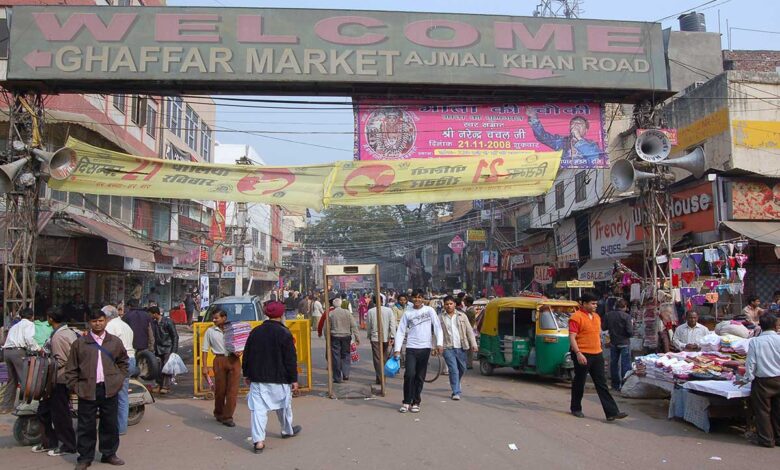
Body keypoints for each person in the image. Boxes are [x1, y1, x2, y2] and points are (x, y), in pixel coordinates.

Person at [63, 308, 129, 469]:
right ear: (89, 323)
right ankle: (85, 458)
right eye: (94, 321)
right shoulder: (80, 343)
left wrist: (118, 380)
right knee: (86, 426)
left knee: (109, 423)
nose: (98, 324)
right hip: (87, 389)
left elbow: (123, 362)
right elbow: (71, 368)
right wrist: (75, 386)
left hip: (109, 389)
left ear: (105, 321)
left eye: (100, 320)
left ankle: (109, 453)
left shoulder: (114, 342)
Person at [242, 301, 302, 453]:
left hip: (258, 377)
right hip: (280, 378)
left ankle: (259, 441)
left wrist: (246, 374)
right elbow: (290, 359)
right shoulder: (284, 333)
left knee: (258, 411)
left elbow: (247, 355)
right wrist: (293, 379)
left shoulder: (255, 332)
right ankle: (287, 430)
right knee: (284, 406)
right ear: (282, 315)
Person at [569, 293, 627, 421]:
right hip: (582, 353)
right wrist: (578, 353)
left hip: (597, 353)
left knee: (602, 384)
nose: (595, 305)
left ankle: (612, 412)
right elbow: (572, 337)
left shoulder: (596, 317)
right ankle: (576, 408)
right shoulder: (576, 317)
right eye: (592, 303)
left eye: (596, 303)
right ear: (584, 304)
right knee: (580, 381)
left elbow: (597, 334)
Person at [35, 308, 79, 456]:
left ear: (50, 319)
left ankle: (68, 445)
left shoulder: (59, 336)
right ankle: (48, 442)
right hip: (57, 379)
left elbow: (60, 361)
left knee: (60, 414)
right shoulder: (67, 332)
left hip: (60, 379)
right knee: (44, 411)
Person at [394, 289, 443, 413]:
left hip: (425, 348)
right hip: (411, 347)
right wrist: (397, 349)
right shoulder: (407, 313)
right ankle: (406, 402)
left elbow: (437, 327)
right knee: (409, 374)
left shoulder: (429, 310)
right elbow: (400, 331)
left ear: (423, 298)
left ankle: (416, 402)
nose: (417, 299)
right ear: (412, 298)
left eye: (420, 297)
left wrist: (439, 343)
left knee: (420, 377)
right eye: (415, 297)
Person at [738, 313, 780, 447]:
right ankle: (778, 437)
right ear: (775, 326)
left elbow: (750, 364)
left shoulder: (755, 342)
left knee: (763, 411)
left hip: (763, 382)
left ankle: (767, 439)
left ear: (760, 326)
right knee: (778, 410)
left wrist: (746, 379)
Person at [201, 309, 241, 427]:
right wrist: (204, 367)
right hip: (219, 360)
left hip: (234, 360)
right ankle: (219, 413)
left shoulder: (234, 329)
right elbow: (204, 350)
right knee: (220, 390)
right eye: (213, 318)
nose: (214, 320)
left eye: (216, 318)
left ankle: (228, 417)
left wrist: (240, 352)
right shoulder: (210, 331)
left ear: (224, 318)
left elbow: (242, 343)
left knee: (232, 391)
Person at [526, 106, 602, 168]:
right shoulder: (561, 141)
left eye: (580, 124)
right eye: (573, 123)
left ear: (586, 130)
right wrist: (534, 118)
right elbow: (542, 136)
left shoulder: (592, 144)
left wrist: (579, 139)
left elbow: (594, 159)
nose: (576, 125)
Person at [1, 308, 40, 413]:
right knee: (25, 380)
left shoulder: (15, 326)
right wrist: (37, 348)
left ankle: (6, 407)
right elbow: (29, 339)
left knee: (12, 380)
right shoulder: (29, 325)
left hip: (7, 352)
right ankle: (24, 405)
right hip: (18, 352)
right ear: (31, 316)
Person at [439, 295, 478, 400]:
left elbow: (469, 331)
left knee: (462, 368)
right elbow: (437, 333)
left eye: (451, 304)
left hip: (461, 346)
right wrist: (436, 346)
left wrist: (474, 344)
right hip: (447, 347)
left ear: (455, 304)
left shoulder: (462, 316)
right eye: (446, 304)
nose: (449, 306)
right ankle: (455, 392)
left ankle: (457, 381)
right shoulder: (440, 317)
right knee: (453, 369)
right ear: (444, 305)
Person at [103, 305, 135, 435]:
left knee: (112, 395)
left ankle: (115, 427)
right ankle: (121, 427)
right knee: (123, 396)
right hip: (131, 359)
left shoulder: (110, 326)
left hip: (119, 361)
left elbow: (106, 346)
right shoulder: (125, 326)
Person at [602, 299, 633, 391]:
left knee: (614, 364)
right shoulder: (627, 316)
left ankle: (615, 385)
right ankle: (624, 385)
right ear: (624, 307)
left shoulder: (608, 315)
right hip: (624, 342)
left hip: (614, 342)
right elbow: (630, 332)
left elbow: (604, 327)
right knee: (625, 364)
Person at [366, 299, 397, 384]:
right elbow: (392, 324)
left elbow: (368, 325)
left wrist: (369, 335)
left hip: (375, 338)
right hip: (386, 337)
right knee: (384, 357)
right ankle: (382, 376)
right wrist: (392, 336)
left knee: (377, 358)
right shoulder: (388, 310)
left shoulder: (371, 311)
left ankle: (380, 377)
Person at [149, 306, 178, 395]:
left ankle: (165, 386)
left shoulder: (168, 322)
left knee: (167, 367)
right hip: (158, 348)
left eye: (150, 314)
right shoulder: (154, 323)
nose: (149, 315)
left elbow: (175, 336)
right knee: (158, 367)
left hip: (167, 348)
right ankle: (159, 385)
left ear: (155, 314)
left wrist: (174, 350)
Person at [329, 300, 359, 383]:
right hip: (346, 336)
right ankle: (346, 374)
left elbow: (326, 328)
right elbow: (353, 325)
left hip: (335, 336)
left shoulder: (331, 313)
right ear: (341, 304)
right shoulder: (347, 312)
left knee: (336, 356)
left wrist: (327, 338)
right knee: (346, 355)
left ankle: (337, 377)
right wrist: (357, 337)